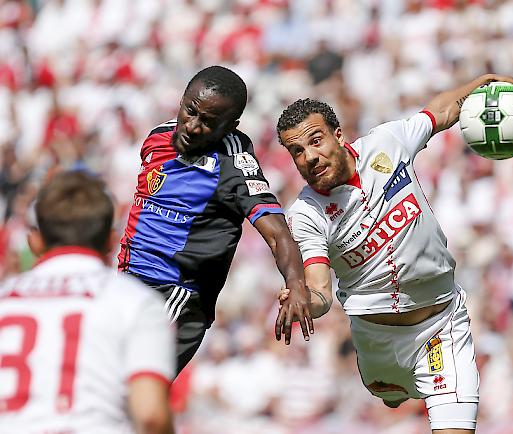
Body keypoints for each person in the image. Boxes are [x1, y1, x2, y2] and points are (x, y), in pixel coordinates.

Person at [276, 74, 513, 433]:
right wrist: (303, 299)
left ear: (338, 135)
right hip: (377, 343)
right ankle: (395, 389)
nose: (309, 157)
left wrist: (480, 84)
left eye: (315, 142)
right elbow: (320, 292)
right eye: (297, 151)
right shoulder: (305, 214)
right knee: (390, 396)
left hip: (442, 327)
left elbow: (439, 112)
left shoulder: (386, 144)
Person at [117, 65, 312, 374]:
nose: (192, 126)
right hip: (125, 285)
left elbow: (276, 232)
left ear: (229, 126)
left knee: (123, 388)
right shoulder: (157, 138)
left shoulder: (234, 164)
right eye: (190, 111)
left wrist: (297, 283)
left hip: (174, 295)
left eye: (208, 122)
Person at [0, 171, 175, 434]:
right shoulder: (135, 301)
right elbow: (150, 414)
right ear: (110, 241)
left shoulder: (5, 297)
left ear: (35, 241)